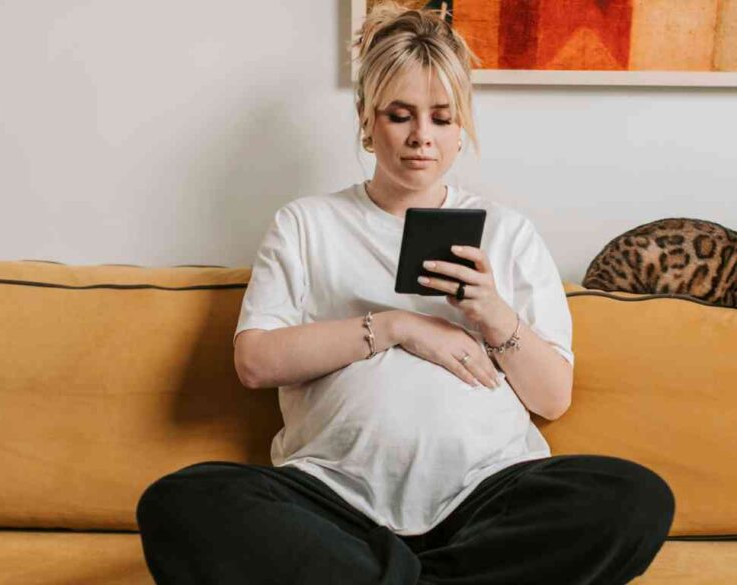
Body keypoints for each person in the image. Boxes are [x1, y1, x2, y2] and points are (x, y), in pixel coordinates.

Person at [135, 3, 674, 584]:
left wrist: (495, 316)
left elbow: (553, 398)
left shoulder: (508, 231)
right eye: (400, 115)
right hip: (333, 499)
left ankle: (386, 577)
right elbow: (255, 362)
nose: (422, 137)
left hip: (487, 494)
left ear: (461, 129)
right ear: (367, 121)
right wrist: (397, 327)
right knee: (182, 501)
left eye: (442, 118)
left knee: (634, 498)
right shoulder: (306, 224)